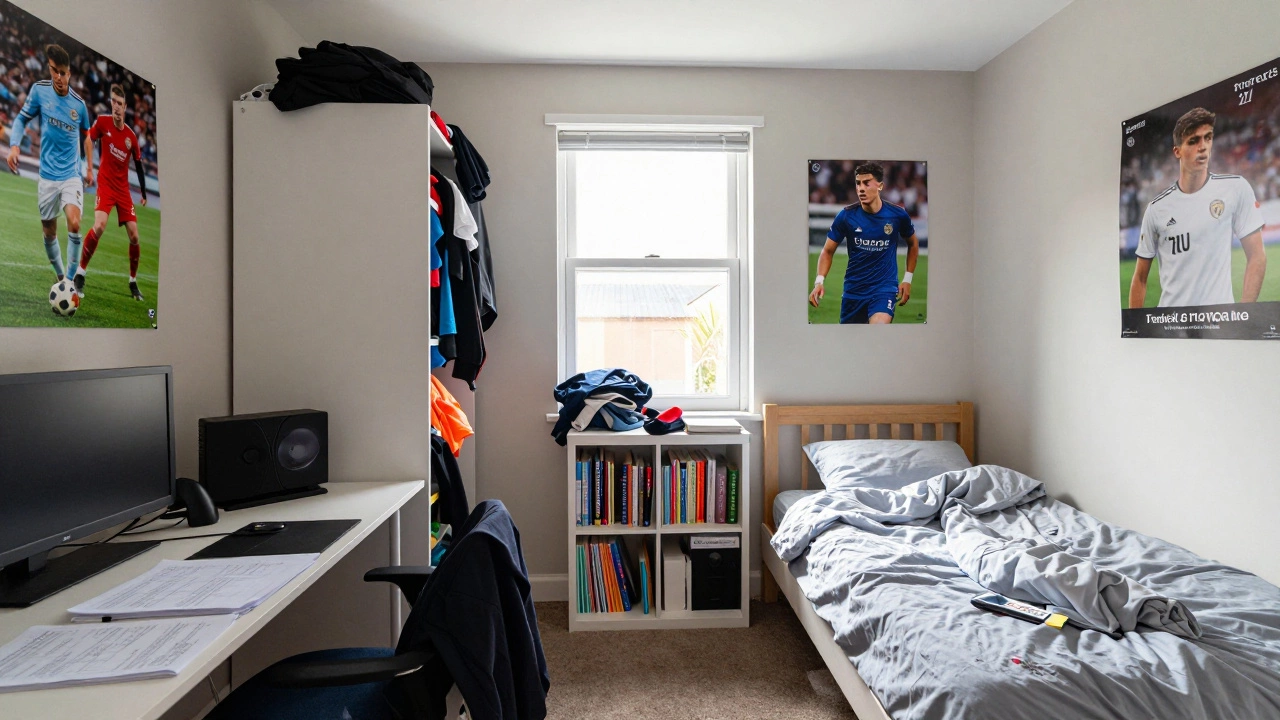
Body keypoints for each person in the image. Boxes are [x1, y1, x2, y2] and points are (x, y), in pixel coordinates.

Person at [1129, 107, 1267, 308]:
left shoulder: (1236, 188)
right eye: (1193, 141)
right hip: (1171, 327)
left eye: (1208, 138)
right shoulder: (1156, 209)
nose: (1202, 147)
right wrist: (1134, 330)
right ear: (1177, 151)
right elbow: (1140, 278)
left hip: (1218, 327)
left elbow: (1257, 256)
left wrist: (1242, 316)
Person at [6, 44, 93, 284]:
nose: (58, 77)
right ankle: (60, 276)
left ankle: (71, 283)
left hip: (70, 174)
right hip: (47, 176)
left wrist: (87, 167)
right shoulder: (39, 91)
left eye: (63, 72)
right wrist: (15, 145)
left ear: (70, 74)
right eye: (54, 70)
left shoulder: (79, 105)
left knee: (74, 224)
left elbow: (87, 136)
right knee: (49, 231)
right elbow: (21, 119)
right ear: (49, 68)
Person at [809, 162, 920, 323]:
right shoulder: (846, 216)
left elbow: (913, 244)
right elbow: (827, 251)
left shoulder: (897, 215)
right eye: (858, 183)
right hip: (853, 292)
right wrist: (819, 282)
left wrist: (907, 279)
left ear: (880, 186)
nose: (861, 188)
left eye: (867, 183)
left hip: (884, 289)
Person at [74, 83, 147, 300]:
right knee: (99, 225)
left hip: (123, 190)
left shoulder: (131, 137)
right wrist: (88, 167)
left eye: (120, 103)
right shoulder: (103, 123)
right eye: (113, 102)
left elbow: (139, 165)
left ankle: (133, 283)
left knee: (135, 235)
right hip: (105, 183)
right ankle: (80, 273)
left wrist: (142, 193)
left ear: (125, 108)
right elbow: (89, 138)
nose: (116, 106)